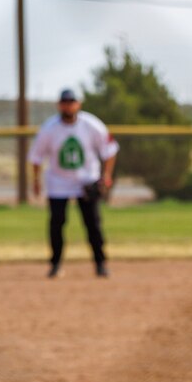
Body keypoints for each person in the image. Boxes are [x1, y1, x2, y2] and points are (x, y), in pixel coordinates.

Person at [28, 87, 117, 278]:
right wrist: (35, 181)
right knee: (57, 224)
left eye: (71, 102)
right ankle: (56, 264)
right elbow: (36, 157)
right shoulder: (49, 128)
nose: (68, 106)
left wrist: (106, 175)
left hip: (87, 179)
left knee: (93, 224)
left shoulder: (92, 124)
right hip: (58, 181)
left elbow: (109, 150)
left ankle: (100, 263)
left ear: (78, 104)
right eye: (64, 102)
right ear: (59, 105)